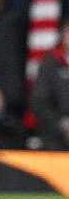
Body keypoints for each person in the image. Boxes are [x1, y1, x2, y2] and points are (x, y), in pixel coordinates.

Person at [31, 21, 69, 150]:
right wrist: (63, 125)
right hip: (54, 137)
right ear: (62, 36)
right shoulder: (50, 63)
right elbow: (39, 102)